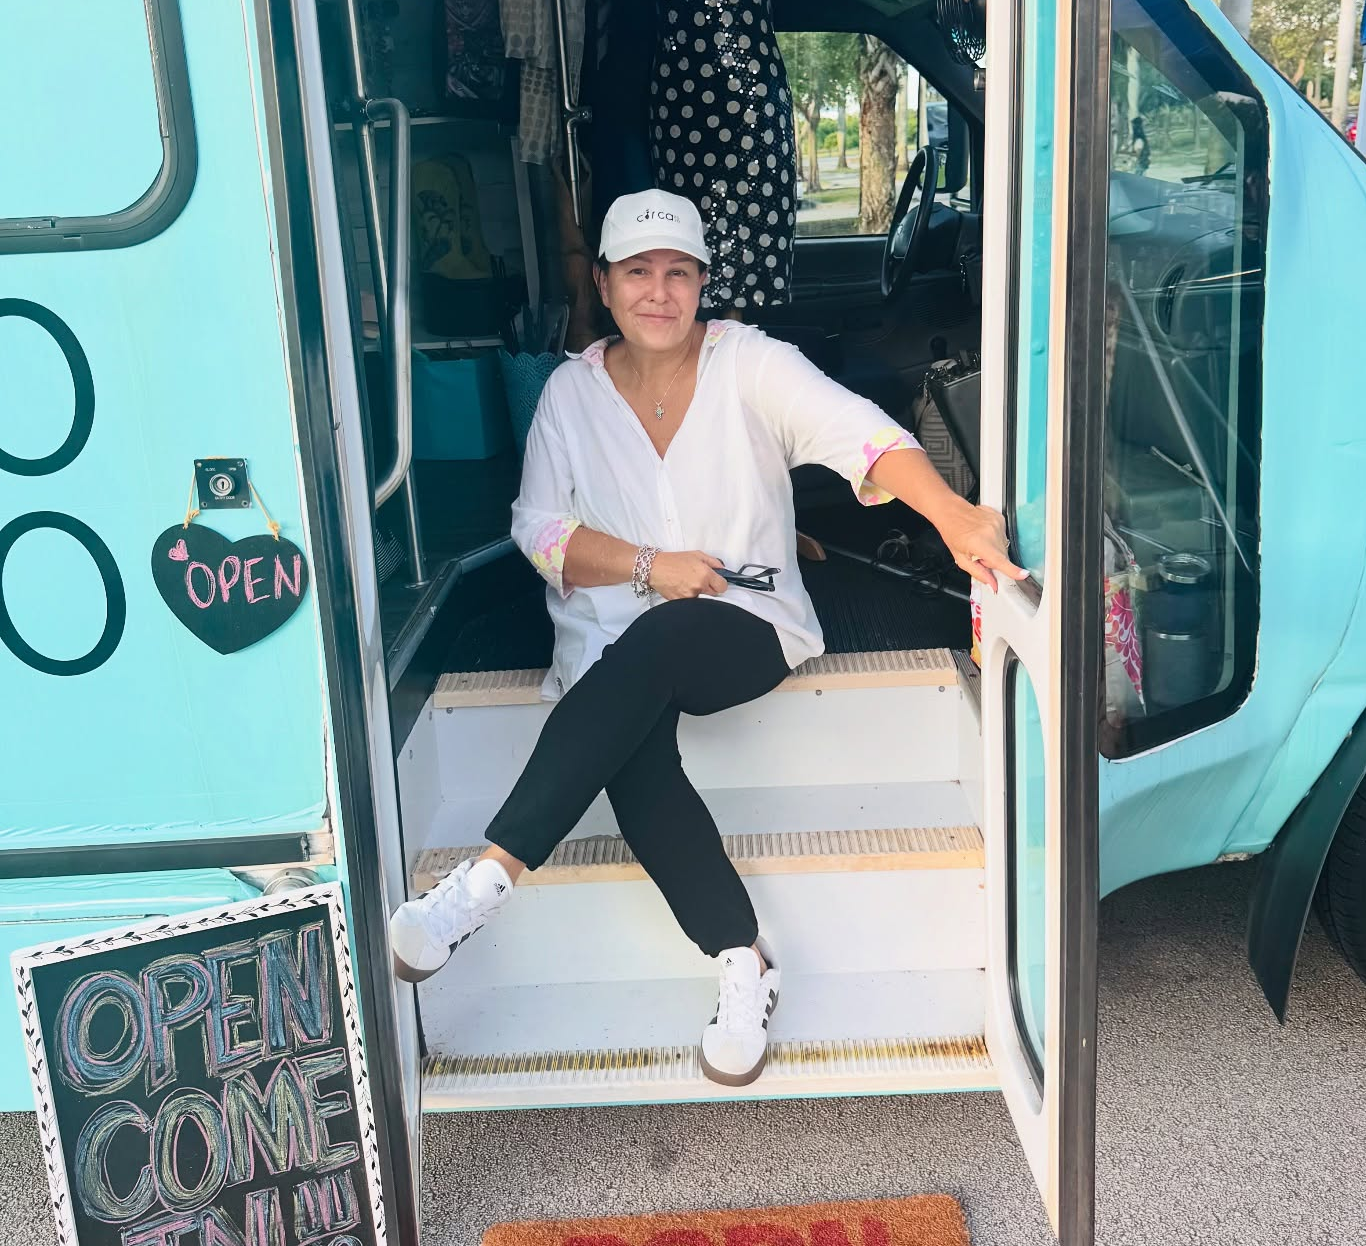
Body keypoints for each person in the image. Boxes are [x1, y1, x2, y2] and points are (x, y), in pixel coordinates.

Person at [389, 188, 1024, 1086]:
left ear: (701, 284)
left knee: (658, 647)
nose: (659, 292)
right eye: (637, 272)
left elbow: (861, 436)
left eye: (678, 273)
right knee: (632, 745)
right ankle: (743, 959)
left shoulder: (749, 363)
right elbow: (538, 530)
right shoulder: (570, 394)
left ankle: (487, 878)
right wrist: (649, 566)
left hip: (744, 626)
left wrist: (952, 515)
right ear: (603, 284)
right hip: (607, 641)